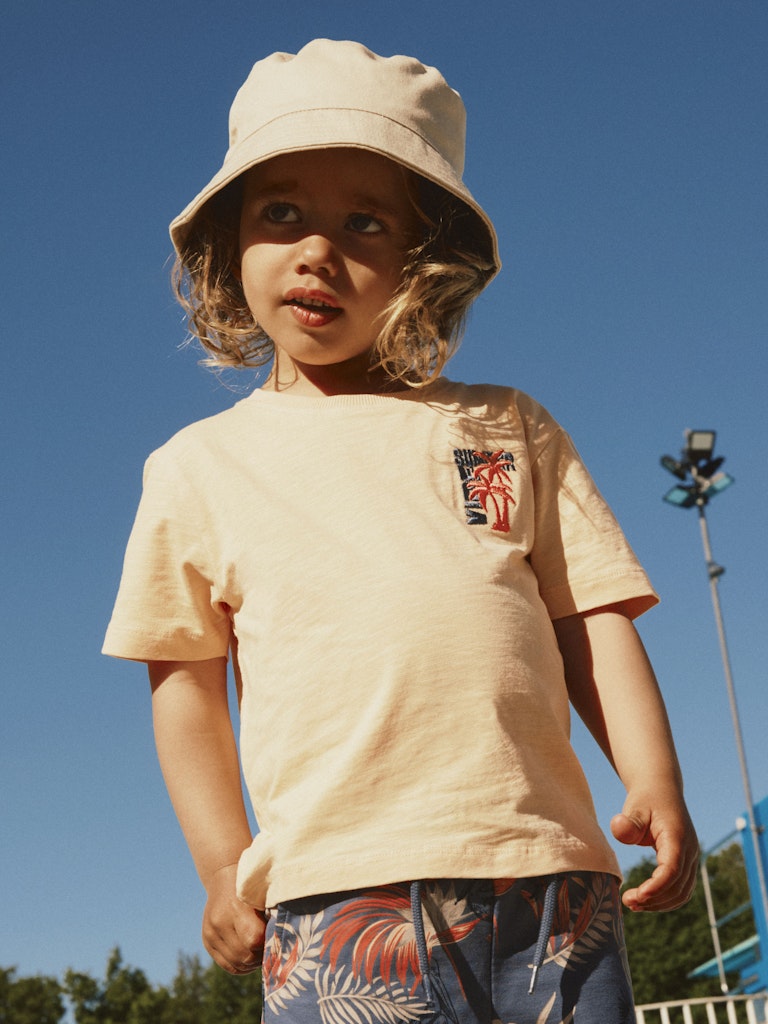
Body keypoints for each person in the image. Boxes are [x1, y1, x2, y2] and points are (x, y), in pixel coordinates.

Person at [103, 39, 698, 1024]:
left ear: (425, 261)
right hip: (337, 893)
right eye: (280, 212)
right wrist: (220, 863)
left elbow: (590, 618)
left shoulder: (504, 427)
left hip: (550, 881)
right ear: (228, 243)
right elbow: (186, 685)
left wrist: (655, 779)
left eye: (365, 222)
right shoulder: (197, 468)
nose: (317, 250)